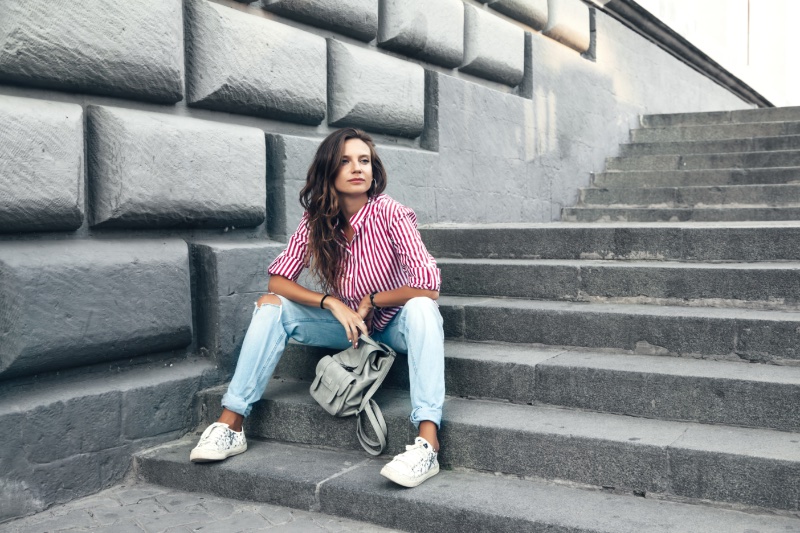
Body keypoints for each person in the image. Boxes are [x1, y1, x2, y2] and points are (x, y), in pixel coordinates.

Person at [189, 128, 445, 488]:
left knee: (421, 308)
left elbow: (428, 286)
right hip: (348, 326)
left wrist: (372, 300)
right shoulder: (317, 220)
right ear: (329, 171)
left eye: (364, 160)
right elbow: (278, 280)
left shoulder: (391, 213)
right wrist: (332, 303)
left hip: (394, 324)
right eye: (345, 161)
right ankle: (231, 424)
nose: (357, 168)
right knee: (272, 306)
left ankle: (427, 443)